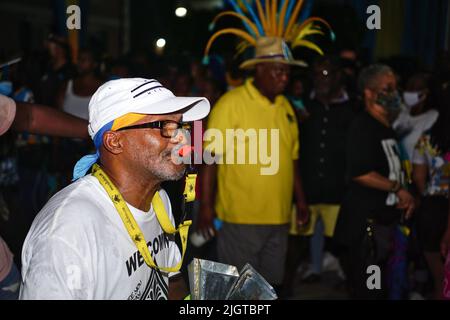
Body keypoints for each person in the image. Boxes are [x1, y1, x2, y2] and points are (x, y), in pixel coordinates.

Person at [19, 78, 210, 299]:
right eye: (164, 127)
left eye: (181, 126)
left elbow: (171, 280)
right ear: (114, 142)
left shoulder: (159, 200)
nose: (182, 138)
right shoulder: (67, 233)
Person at [333, 64, 415, 299]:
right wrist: (397, 189)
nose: (394, 94)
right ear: (369, 92)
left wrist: (401, 194)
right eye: (387, 88)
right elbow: (360, 172)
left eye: (395, 88)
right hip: (365, 228)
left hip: (382, 225)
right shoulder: (363, 126)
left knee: (380, 290)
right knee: (370, 292)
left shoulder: (385, 127)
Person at [295, 56, 354, 284]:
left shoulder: (352, 107)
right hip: (308, 186)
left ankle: (352, 284)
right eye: (317, 74)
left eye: (327, 73)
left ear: (339, 76)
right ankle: (299, 279)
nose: (321, 79)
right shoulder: (303, 107)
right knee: (300, 237)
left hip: (339, 187)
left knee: (343, 239)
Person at [412, 100, 449, 299]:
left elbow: (418, 176)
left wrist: (427, 193)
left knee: (438, 274)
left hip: (432, 206)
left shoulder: (426, 139)